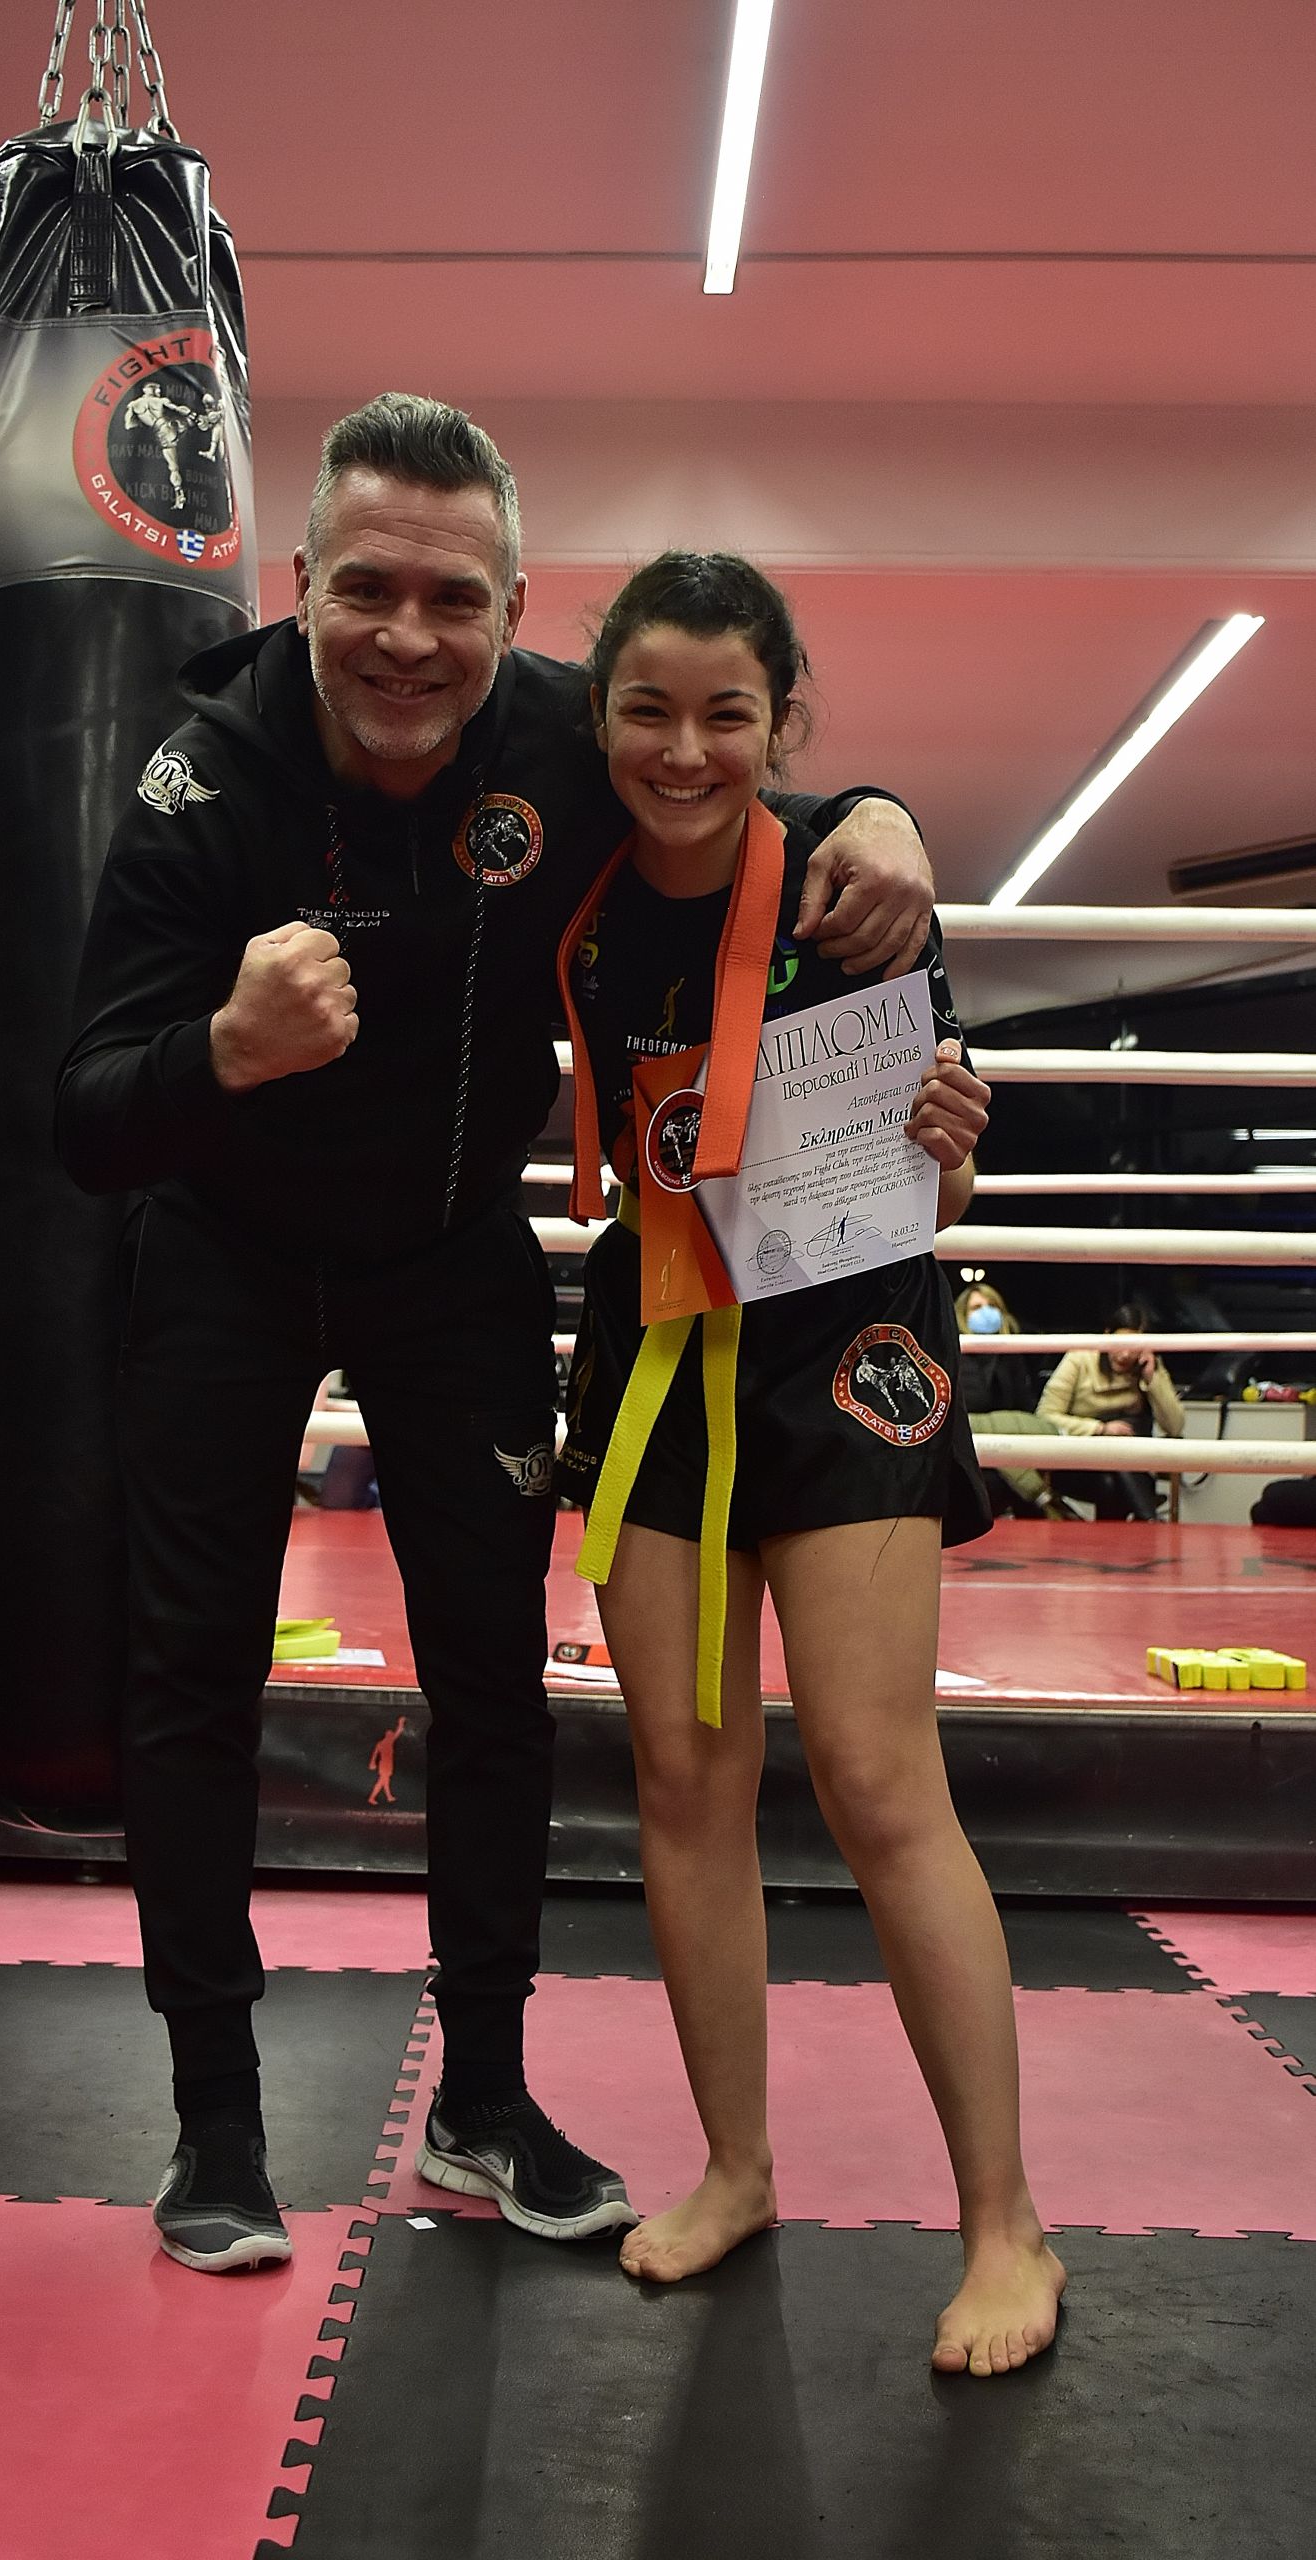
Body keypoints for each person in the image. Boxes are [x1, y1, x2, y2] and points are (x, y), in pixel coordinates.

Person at [56, 394, 938, 2276]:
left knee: (491, 1681)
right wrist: (221, 1053)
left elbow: (740, 793)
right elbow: (82, 1113)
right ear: (303, 584)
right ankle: (217, 2119)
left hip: (450, 1257)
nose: (408, 636)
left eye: (453, 598)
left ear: (514, 611)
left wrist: (887, 816)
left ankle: (483, 2100)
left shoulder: (561, 733)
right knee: (191, 1672)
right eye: (367, 589)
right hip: (223, 1257)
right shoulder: (203, 781)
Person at [555, 551, 1065, 2379]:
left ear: (783, 721)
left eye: (727, 712)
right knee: (683, 1778)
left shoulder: (856, 883)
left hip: (851, 1351)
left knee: (873, 1771)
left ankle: (1006, 2224)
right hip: (657, 1340)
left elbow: (942, 1181)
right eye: (648, 708)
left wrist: (954, 1139)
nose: (685, 749)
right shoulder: (576, 886)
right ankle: (736, 2167)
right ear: (599, 714)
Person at [954, 1280, 1088, 1520]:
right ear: (962, 1315)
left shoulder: (1012, 1353)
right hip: (972, 1447)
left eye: (991, 1305)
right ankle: (1045, 1499)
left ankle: (1043, 1501)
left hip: (1009, 1441)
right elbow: (969, 1406)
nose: (986, 1312)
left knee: (1010, 1470)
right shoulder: (955, 1354)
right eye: (976, 1307)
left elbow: (1025, 1404)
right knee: (995, 1479)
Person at [1039, 1301, 1186, 1520]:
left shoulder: (1149, 1366)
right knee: (1112, 1482)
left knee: (1112, 1481)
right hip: (1079, 1461)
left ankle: (1141, 1525)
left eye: (1134, 1346)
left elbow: (1175, 1426)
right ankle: (1149, 1520)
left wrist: (1152, 1379)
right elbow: (1045, 1416)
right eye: (1119, 1343)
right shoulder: (1080, 1358)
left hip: (1130, 1465)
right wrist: (1100, 1428)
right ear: (1107, 1335)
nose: (1125, 1354)